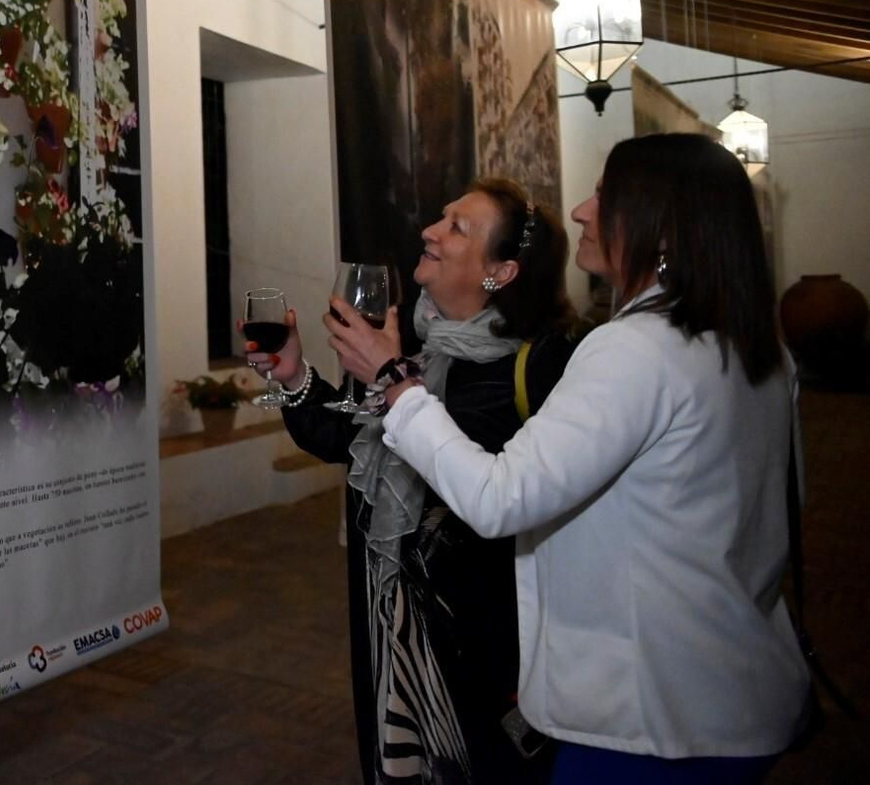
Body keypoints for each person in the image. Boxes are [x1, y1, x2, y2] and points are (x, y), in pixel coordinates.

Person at [331, 134, 811, 784]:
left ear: (662, 229)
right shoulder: (758, 351)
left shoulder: (632, 351)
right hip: (735, 692)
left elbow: (498, 496)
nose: (583, 210)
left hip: (651, 718)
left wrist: (394, 381)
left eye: (607, 197)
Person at [246, 177, 580, 785]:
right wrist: (295, 375)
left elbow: (470, 467)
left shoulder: (543, 363)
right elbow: (352, 441)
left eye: (458, 227)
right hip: (392, 620)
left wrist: (390, 375)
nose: (429, 229)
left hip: (479, 641)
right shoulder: (415, 352)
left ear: (500, 272)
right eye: (441, 217)